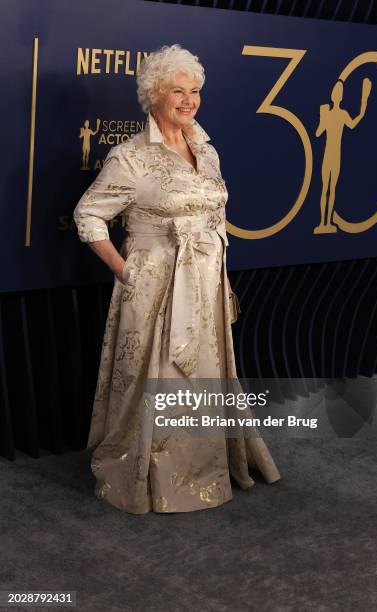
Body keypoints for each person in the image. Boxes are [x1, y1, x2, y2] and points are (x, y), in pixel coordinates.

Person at [73, 43, 280, 514]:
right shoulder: (130, 158)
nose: (188, 100)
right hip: (155, 288)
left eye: (195, 91)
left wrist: (217, 275)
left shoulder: (206, 149)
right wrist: (128, 273)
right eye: (177, 91)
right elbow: (88, 216)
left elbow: (214, 218)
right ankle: (153, 476)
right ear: (153, 95)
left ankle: (207, 468)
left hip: (204, 284)